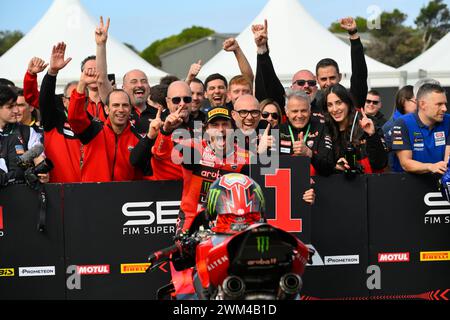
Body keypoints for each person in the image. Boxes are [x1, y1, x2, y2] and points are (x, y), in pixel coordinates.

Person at [253, 17, 367, 115]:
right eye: (323, 79)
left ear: (340, 77)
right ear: (318, 80)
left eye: (332, 78)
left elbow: (359, 76)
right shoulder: (290, 108)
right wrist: (262, 50)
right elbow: (270, 83)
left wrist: (354, 36)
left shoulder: (348, 105)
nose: (328, 83)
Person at [68, 69, 149, 183]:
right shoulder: (94, 131)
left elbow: (142, 176)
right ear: (106, 109)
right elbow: (74, 118)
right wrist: (82, 83)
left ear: (130, 109)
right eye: (116, 105)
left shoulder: (138, 139)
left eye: (125, 105)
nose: (120, 110)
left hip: (124, 198)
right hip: (92, 196)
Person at [95, 17, 157, 134]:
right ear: (123, 88)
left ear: (149, 87)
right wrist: (101, 45)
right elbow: (102, 80)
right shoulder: (119, 110)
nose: (139, 85)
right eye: (133, 82)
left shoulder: (159, 114)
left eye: (143, 81)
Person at [38, 42, 82, 183]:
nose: (77, 101)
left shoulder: (95, 124)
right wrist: (52, 73)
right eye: (72, 98)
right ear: (64, 101)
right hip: (58, 192)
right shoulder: (54, 120)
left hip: (90, 193)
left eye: (81, 98)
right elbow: (45, 100)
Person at [323, 84, 387, 174]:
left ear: (348, 103)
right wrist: (335, 166)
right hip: (337, 185)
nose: (334, 109)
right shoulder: (325, 128)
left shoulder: (367, 123)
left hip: (367, 184)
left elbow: (380, 164)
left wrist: (372, 135)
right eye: (330, 105)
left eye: (339, 103)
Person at [391, 83, 450, 174]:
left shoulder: (448, 121)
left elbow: (448, 160)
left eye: (445, 104)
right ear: (422, 104)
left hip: (441, 180)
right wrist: (431, 167)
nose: (444, 108)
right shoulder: (402, 123)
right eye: (439, 104)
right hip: (409, 183)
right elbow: (405, 163)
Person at [0, 85, 48, 186]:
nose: (16, 111)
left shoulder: (27, 132)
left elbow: (39, 158)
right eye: (10, 107)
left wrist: (43, 172)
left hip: (23, 196)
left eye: (16, 105)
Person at [279, 90, 334, 176]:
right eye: (295, 111)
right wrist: (263, 153)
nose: (300, 115)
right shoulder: (276, 131)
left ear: (310, 110)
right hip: (285, 186)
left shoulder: (322, 128)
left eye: (303, 110)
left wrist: (309, 153)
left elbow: (329, 167)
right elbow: (268, 170)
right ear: (286, 112)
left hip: (316, 186)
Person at [382, 85, 415, 172]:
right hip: (397, 176)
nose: (419, 105)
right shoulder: (391, 126)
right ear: (403, 101)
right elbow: (386, 159)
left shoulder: (413, 122)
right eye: (415, 101)